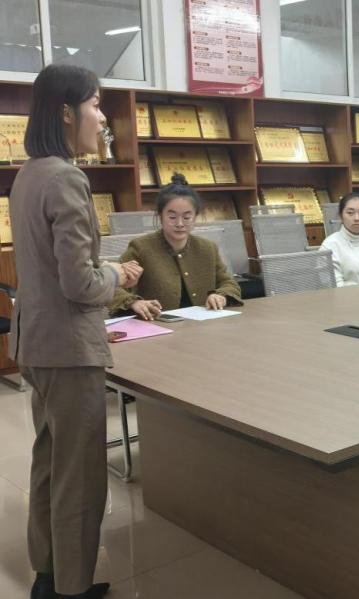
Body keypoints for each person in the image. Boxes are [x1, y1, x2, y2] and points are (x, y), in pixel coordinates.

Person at [11, 64, 143, 599]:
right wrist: (116, 275)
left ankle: (48, 574)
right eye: (95, 104)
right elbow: (80, 283)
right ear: (67, 113)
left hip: (35, 343)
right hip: (69, 350)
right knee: (80, 478)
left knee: (49, 463)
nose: (102, 117)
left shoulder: (28, 173)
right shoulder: (66, 177)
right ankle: (72, 587)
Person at [107, 174, 242, 319]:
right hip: (156, 324)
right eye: (172, 217)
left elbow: (229, 283)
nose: (179, 223)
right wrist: (134, 302)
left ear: (195, 217)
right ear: (160, 216)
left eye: (186, 217)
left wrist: (221, 295)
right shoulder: (140, 248)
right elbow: (110, 286)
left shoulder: (208, 248)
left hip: (204, 325)